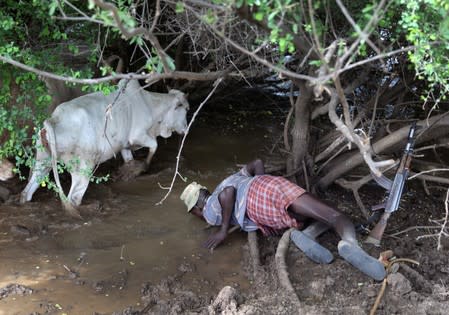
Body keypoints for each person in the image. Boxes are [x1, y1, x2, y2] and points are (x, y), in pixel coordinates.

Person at [180, 159, 386, 281]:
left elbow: (228, 194)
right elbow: (256, 163)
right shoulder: (226, 180)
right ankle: (349, 243)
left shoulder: (208, 210)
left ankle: (308, 234)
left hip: (261, 211)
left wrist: (223, 230)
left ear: (196, 208)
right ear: (204, 190)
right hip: (267, 187)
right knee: (332, 214)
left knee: (313, 215)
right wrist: (262, 181)